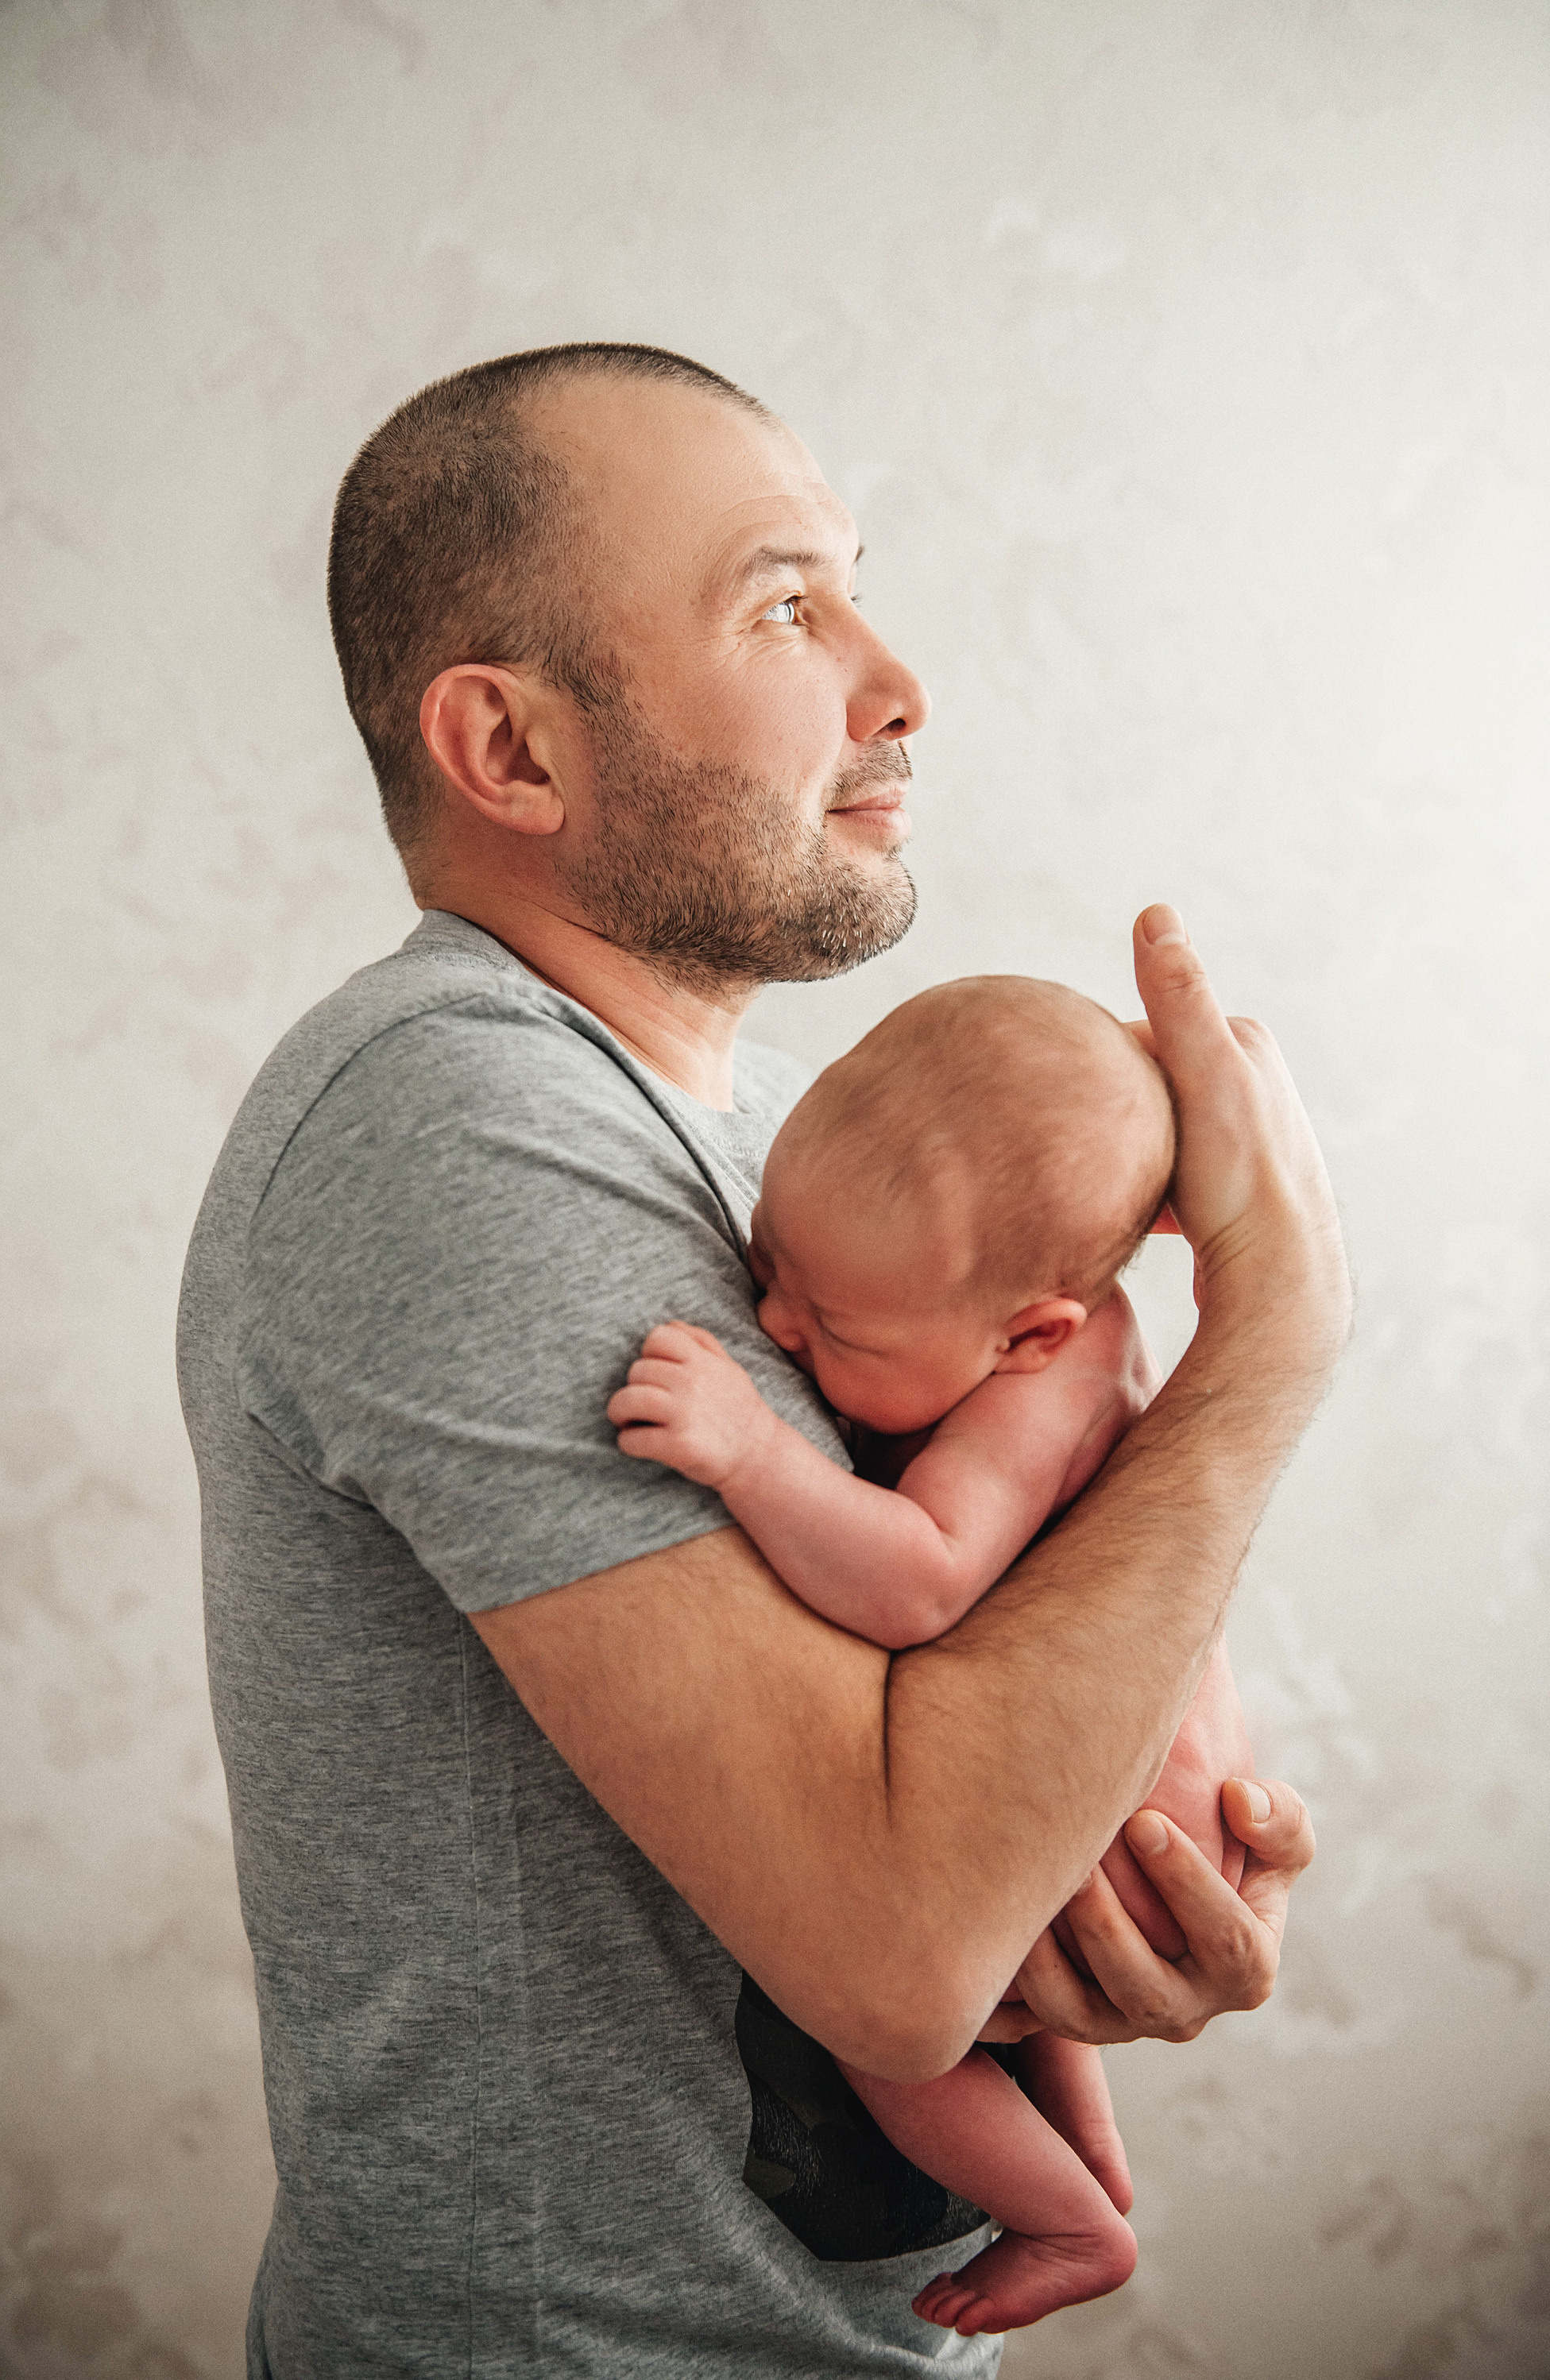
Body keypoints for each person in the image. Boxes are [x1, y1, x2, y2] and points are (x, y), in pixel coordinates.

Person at [176, 342, 1347, 2379]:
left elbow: (972, 1784)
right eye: (783, 604)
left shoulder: (794, 1153)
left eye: (857, 582)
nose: (897, 681)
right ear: (512, 752)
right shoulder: (455, 1119)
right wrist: (1272, 1344)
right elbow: (901, 1955)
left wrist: (1117, 1876)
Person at [608, 973, 1255, 2339]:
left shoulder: (1043, 1398)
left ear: (1032, 1333)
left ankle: (1066, 2220)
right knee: (1000, 1995)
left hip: (1128, 1820)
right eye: (772, 1264)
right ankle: (1094, 2159)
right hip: (1110, 1797)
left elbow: (922, 1578)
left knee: (885, 2017)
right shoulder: (992, 1309)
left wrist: (748, 1447)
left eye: (833, 1329)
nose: (777, 1324)